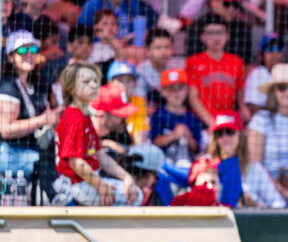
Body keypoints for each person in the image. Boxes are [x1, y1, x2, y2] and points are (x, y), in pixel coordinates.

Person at [52, 62, 141, 206]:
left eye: (95, 81)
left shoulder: (84, 115)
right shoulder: (73, 117)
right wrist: (100, 185)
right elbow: (75, 162)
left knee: (132, 191)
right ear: (71, 89)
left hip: (87, 181)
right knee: (135, 197)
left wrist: (126, 177)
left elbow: (99, 154)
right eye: (86, 82)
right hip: (73, 186)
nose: (94, 86)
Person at [248, 63, 288, 205]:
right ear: (273, 91)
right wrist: (282, 192)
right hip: (265, 187)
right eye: (282, 87)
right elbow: (256, 165)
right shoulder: (260, 120)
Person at [0, 30, 60, 180]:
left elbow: (46, 122)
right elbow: (6, 130)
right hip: (11, 153)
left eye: (32, 49)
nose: (29, 54)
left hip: (35, 150)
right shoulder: (8, 87)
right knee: (47, 164)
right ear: (10, 57)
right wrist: (42, 120)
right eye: (22, 50)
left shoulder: (36, 85)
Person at [207, 111, 285, 208]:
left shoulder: (253, 168)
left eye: (229, 131)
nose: (225, 137)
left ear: (240, 135)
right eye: (219, 133)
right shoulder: (206, 164)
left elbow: (279, 203)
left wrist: (254, 204)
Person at [186, 13, 246, 127]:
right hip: (202, 122)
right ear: (202, 37)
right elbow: (193, 98)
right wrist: (211, 122)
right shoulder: (193, 61)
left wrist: (245, 117)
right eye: (211, 33)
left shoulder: (236, 61)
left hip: (229, 121)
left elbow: (240, 97)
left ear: (227, 36)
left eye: (220, 33)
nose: (216, 38)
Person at [150, 67, 201, 166]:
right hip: (164, 166)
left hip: (187, 168)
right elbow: (154, 143)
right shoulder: (158, 115)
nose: (177, 93)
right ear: (163, 91)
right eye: (172, 89)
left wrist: (188, 137)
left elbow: (197, 148)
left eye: (180, 88)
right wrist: (173, 135)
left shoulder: (193, 118)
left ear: (186, 90)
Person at [242, 33, 284, 115]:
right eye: (270, 49)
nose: (275, 53)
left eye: (279, 48)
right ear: (261, 54)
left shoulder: (287, 73)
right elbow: (252, 109)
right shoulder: (256, 75)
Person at [135, 26, 172, 108]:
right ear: (148, 51)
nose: (164, 52)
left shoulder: (173, 72)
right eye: (158, 48)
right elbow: (140, 105)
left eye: (167, 47)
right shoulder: (141, 71)